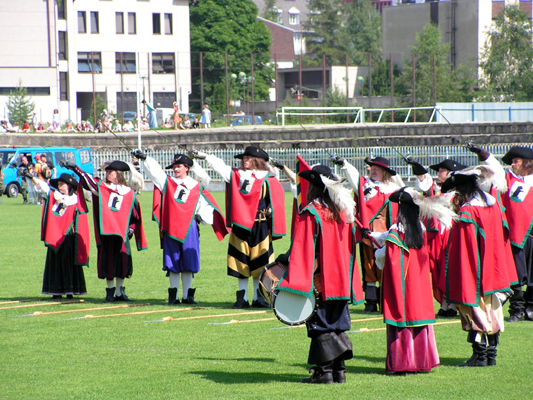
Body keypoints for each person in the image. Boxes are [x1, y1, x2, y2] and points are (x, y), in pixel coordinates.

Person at [277, 165, 364, 384]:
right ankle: (339, 371)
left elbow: (303, 248)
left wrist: (297, 272)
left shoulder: (312, 212)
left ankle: (324, 373)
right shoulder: (344, 213)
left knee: (320, 324)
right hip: (341, 279)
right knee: (337, 322)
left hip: (319, 280)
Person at [192, 146, 286, 308]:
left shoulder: (268, 177)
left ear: (256, 160)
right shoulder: (237, 175)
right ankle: (242, 298)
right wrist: (207, 156)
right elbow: (221, 168)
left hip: (261, 226)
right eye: (244, 158)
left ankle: (258, 298)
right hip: (241, 226)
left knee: (260, 263)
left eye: (248, 158)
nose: (244, 160)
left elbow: (276, 197)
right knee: (240, 262)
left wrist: (271, 210)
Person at [373, 187, 454, 374]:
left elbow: (386, 256)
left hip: (403, 285)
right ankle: (420, 361)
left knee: (402, 318)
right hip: (418, 284)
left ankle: (403, 363)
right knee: (418, 318)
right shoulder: (420, 228)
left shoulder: (396, 230)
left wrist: (377, 251)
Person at [133, 150, 227, 305]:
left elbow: (205, 203)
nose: (176, 169)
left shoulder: (196, 185)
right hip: (172, 227)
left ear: (186, 168)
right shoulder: (168, 182)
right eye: (174, 166)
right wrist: (146, 158)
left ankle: (188, 296)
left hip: (190, 227)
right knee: (172, 262)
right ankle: (174, 297)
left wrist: (201, 216)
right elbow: (156, 173)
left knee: (189, 261)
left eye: (179, 166)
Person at [442, 165, 514, 367]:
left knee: (474, 311)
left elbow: (462, 247)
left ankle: (479, 356)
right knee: (493, 310)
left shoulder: (468, 210)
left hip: (474, 271)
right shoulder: (493, 205)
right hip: (493, 268)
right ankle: (491, 354)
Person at [64, 159, 147, 302]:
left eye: (110, 172)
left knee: (122, 262)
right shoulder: (102, 188)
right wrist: (75, 168)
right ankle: (110, 292)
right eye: (107, 172)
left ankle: (120, 292)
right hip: (107, 232)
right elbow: (89, 183)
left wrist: (131, 229)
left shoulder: (128, 192)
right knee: (109, 262)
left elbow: (134, 215)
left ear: (118, 173)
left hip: (122, 234)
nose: (107, 174)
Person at [331, 155, 403, 313]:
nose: (373, 171)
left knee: (384, 267)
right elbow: (355, 178)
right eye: (373, 168)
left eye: (377, 169)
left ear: (385, 172)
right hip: (367, 233)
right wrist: (344, 164)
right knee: (369, 267)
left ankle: (385, 300)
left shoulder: (394, 190)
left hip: (386, 233)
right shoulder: (366, 186)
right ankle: (370, 301)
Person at [470, 145, 533, 322]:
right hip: (516, 236)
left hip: (532, 235)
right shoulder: (508, 179)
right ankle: (516, 310)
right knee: (517, 274)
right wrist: (483, 154)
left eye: (516, 161)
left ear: (527, 163)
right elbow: (495, 168)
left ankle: (531, 308)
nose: (512, 164)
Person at [27, 172, 90, 299]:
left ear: (69, 186)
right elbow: (44, 187)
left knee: (68, 263)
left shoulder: (76, 200)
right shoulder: (54, 196)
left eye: (62, 184)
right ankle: (55, 291)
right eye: (59, 184)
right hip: (55, 236)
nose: (60, 186)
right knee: (55, 263)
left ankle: (70, 290)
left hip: (69, 236)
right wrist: (31, 177)